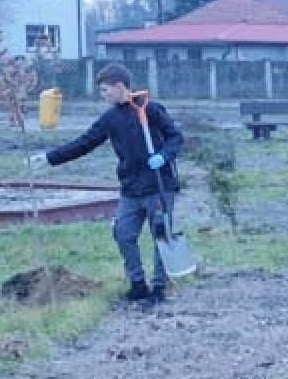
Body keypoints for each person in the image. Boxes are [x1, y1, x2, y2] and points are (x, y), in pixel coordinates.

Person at [29, 62, 184, 306]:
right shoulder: (110, 119)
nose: (103, 95)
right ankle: (137, 285)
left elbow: (176, 137)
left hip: (159, 186)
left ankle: (159, 288)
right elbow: (84, 143)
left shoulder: (150, 110)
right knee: (123, 234)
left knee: (161, 236)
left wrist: (164, 156)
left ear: (120, 86)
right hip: (131, 189)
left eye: (105, 90)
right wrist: (50, 158)